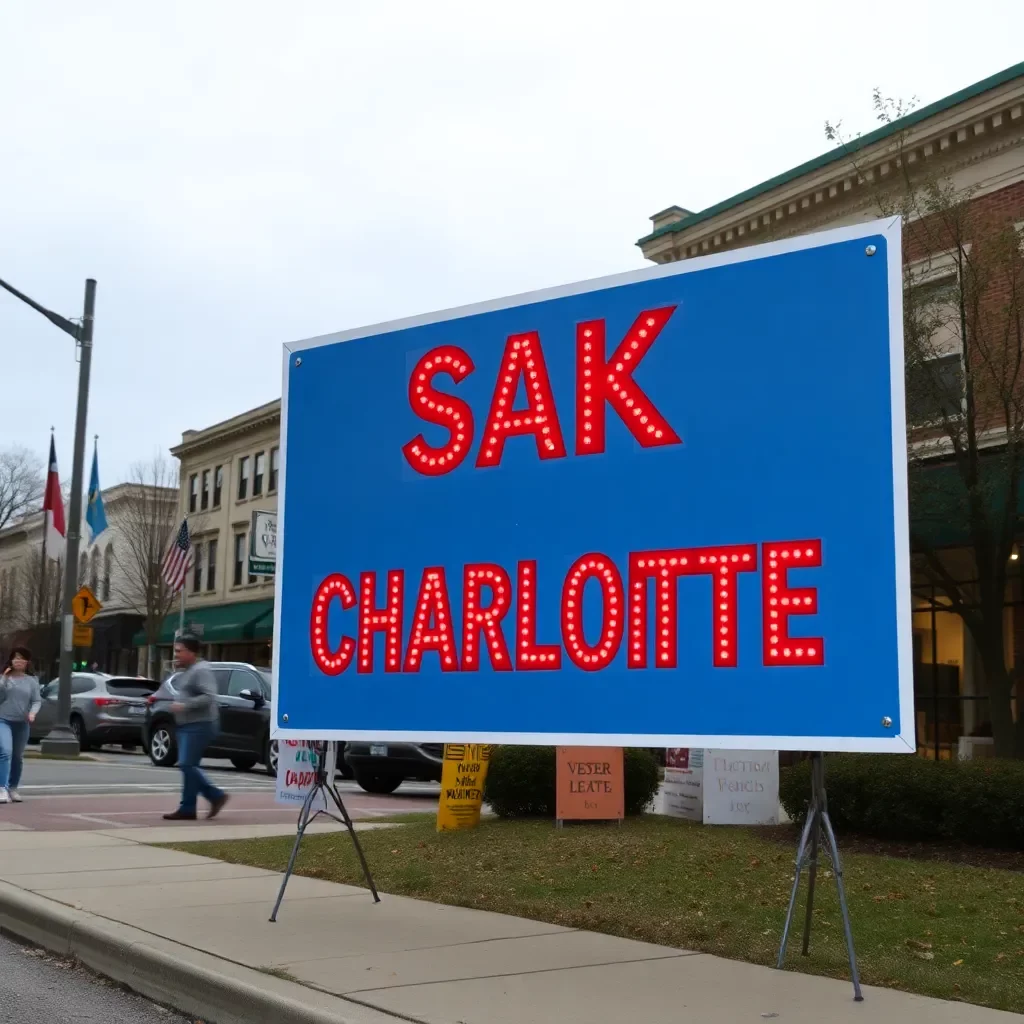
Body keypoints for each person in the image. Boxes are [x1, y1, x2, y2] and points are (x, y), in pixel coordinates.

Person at [163, 634, 229, 821]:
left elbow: (210, 696)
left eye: (179, 651)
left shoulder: (201, 670)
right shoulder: (189, 670)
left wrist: (185, 705)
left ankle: (215, 796)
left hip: (200, 725)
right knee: (190, 766)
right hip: (187, 725)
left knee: (186, 764)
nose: (175, 655)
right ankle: (188, 808)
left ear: (191, 652)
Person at [0, 647, 41, 804]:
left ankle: (13, 788)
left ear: (27, 662)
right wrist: (3, 680)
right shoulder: (4, 678)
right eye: (15, 657)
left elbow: (37, 700)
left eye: (21, 658)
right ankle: (2, 788)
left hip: (22, 723)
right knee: (5, 751)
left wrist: (32, 713)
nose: (18, 661)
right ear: (11, 660)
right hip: (3, 719)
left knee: (17, 756)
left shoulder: (32, 681)